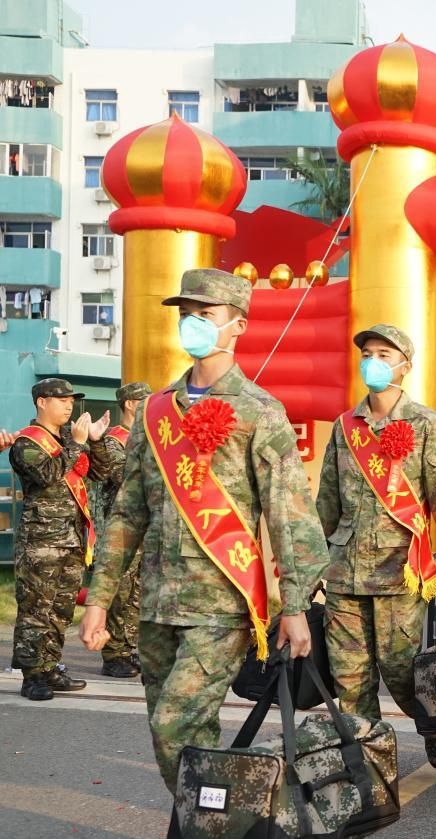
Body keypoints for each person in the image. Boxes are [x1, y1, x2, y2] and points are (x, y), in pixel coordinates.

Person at [80, 268, 329, 795]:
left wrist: (296, 605)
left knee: (176, 724)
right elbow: (128, 513)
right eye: (185, 314)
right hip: (156, 602)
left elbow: (290, 516)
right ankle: (214, 818)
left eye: (206, 314)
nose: (192, 323)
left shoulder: (260, 412)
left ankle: (214, 822)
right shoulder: (155, 412)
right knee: (177, 733)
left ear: (237, 324)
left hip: (222, 604)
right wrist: (98, 599)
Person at [315, 323, 436, 735]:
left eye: (383, 355)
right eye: (367, 354)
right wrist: (312, 561)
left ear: (404, 366)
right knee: (350, 682)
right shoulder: (345, 426)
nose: (372, 362)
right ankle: (365, 764)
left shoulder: (425, 423)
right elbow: (327, 502)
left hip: (399, 569)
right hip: (345, 572)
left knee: (404, 674)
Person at [11, 379, 113, 701]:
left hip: (71, 539)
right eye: (62, 400)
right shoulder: (26, 443)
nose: (69, 405)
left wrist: (94, 442)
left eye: (71, 400)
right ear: (42, 402)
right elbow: (47, 474)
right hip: (41, 542)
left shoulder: (71, 439)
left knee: (61, 610)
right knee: (36, 610)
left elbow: (101, 472)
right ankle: (32, 676)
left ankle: (50, 667)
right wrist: (77, 445)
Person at [98, 381, 153, 678]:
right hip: (122, 528)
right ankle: (114, 653)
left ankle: (130, 647)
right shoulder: (113, 441)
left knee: (137, 592)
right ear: (131, 404)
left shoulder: (145, 438)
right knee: (119, 592)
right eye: (144, 400)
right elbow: (123, 477)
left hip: (145, 528)